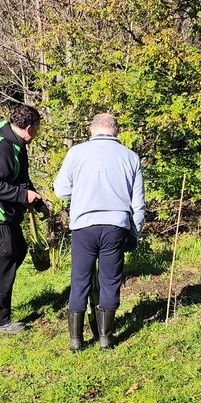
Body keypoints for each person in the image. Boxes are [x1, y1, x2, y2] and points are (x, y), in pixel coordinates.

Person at [53, 112, 145, 350]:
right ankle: (105, 337)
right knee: (110, 280)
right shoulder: (130, 157)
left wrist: (82, 191)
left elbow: (61, 190)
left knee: (80, 279)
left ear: (92, 129)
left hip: (84, 225)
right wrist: (135, 231)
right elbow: (138, 203)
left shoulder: (76, 153)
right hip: (116, 226)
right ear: (116, 130)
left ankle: (76, 340)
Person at [0, 104, 44, 334]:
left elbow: (20, 178)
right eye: (38, 128)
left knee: (19, 250)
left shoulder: (17, 143)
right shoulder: (3, 147)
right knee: (3, 266)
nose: (38, 132)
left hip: (6, 214)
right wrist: (23, 196)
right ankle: (0, 322)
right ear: (30, 127)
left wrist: (36, 201)